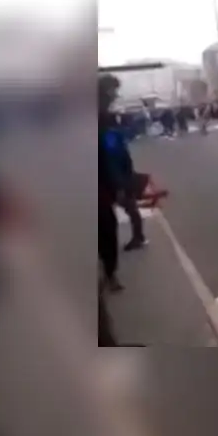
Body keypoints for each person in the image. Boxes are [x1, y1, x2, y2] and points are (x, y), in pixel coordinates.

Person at [98, 75, 126, 292]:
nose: (116, 95)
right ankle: (109, 273)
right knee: (106, 229)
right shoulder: (101, 117)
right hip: (99, 184)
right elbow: (110, 152)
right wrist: (119, 184)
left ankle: (109, 272)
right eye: (114, 90)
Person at [104, 115, 148, 252]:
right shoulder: (114, 135)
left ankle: (138, 237)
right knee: (131, 209)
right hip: (122, 177)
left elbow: (113, 162)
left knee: (130, 209)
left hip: (118, 180)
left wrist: (119, 185)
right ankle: (139, 237)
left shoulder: (109, 137)